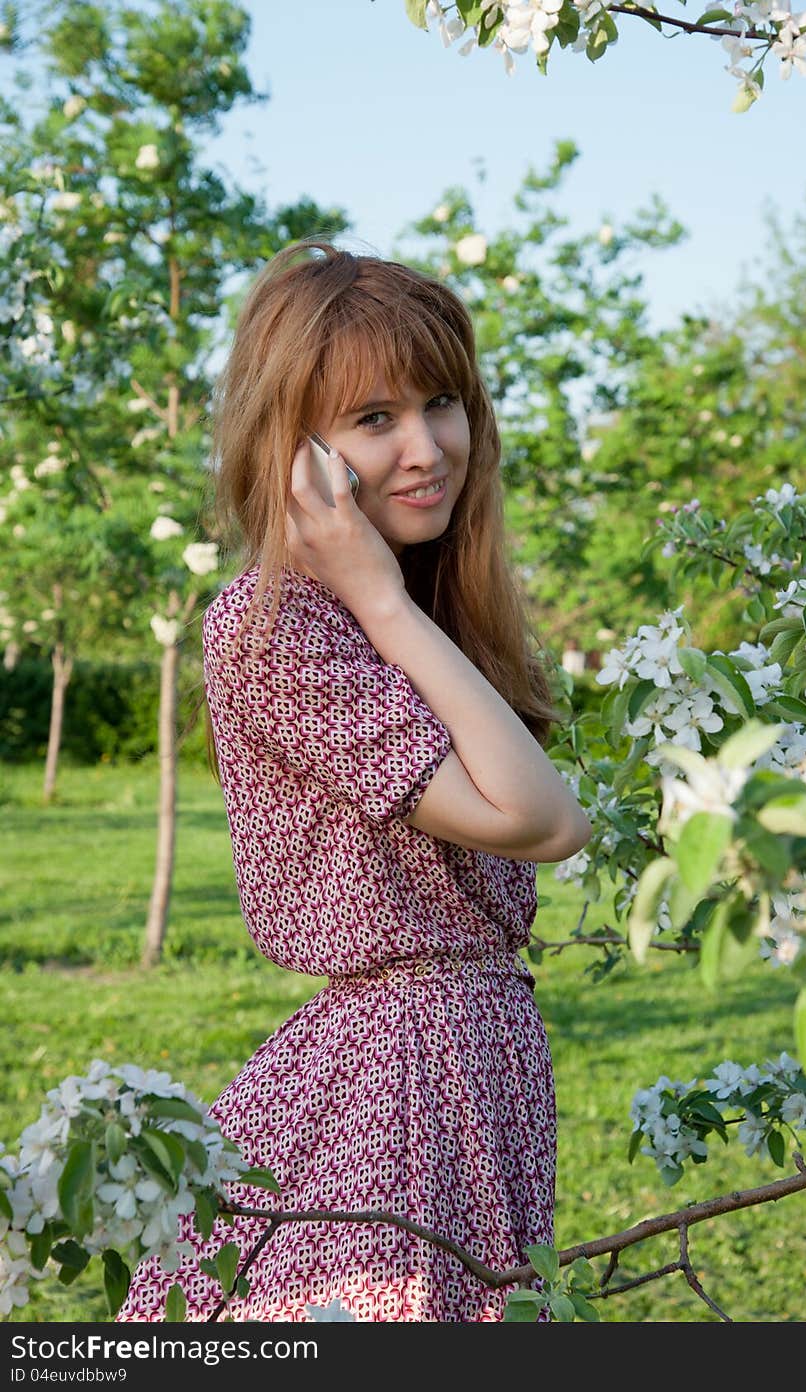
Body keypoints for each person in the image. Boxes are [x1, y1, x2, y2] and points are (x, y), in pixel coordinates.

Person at [116, 239, 592, 1323]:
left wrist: (399, 606)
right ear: (296, 452)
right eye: (373, 419)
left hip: (469, 1058)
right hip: (397, 1074)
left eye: (442, 402)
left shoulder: (421, 617)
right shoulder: (280, 623)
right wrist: (378, 596)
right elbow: (539, 818)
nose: (426, 448)